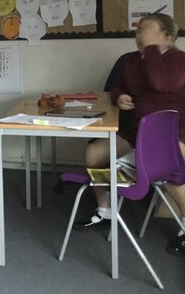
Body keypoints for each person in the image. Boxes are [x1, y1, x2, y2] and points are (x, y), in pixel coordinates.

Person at [77, 14, 185, 258]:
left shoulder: (179, 60)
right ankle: (105, 212)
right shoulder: (132, 60)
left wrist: (153, 50)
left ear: (167, 36)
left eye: (146, 28)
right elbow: (117, 89)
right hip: (135, 131)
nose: (139, 32)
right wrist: (120, 97)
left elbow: (159, 83)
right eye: (138, 28)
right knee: (94, 154)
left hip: (172, 133)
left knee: (169, 167)